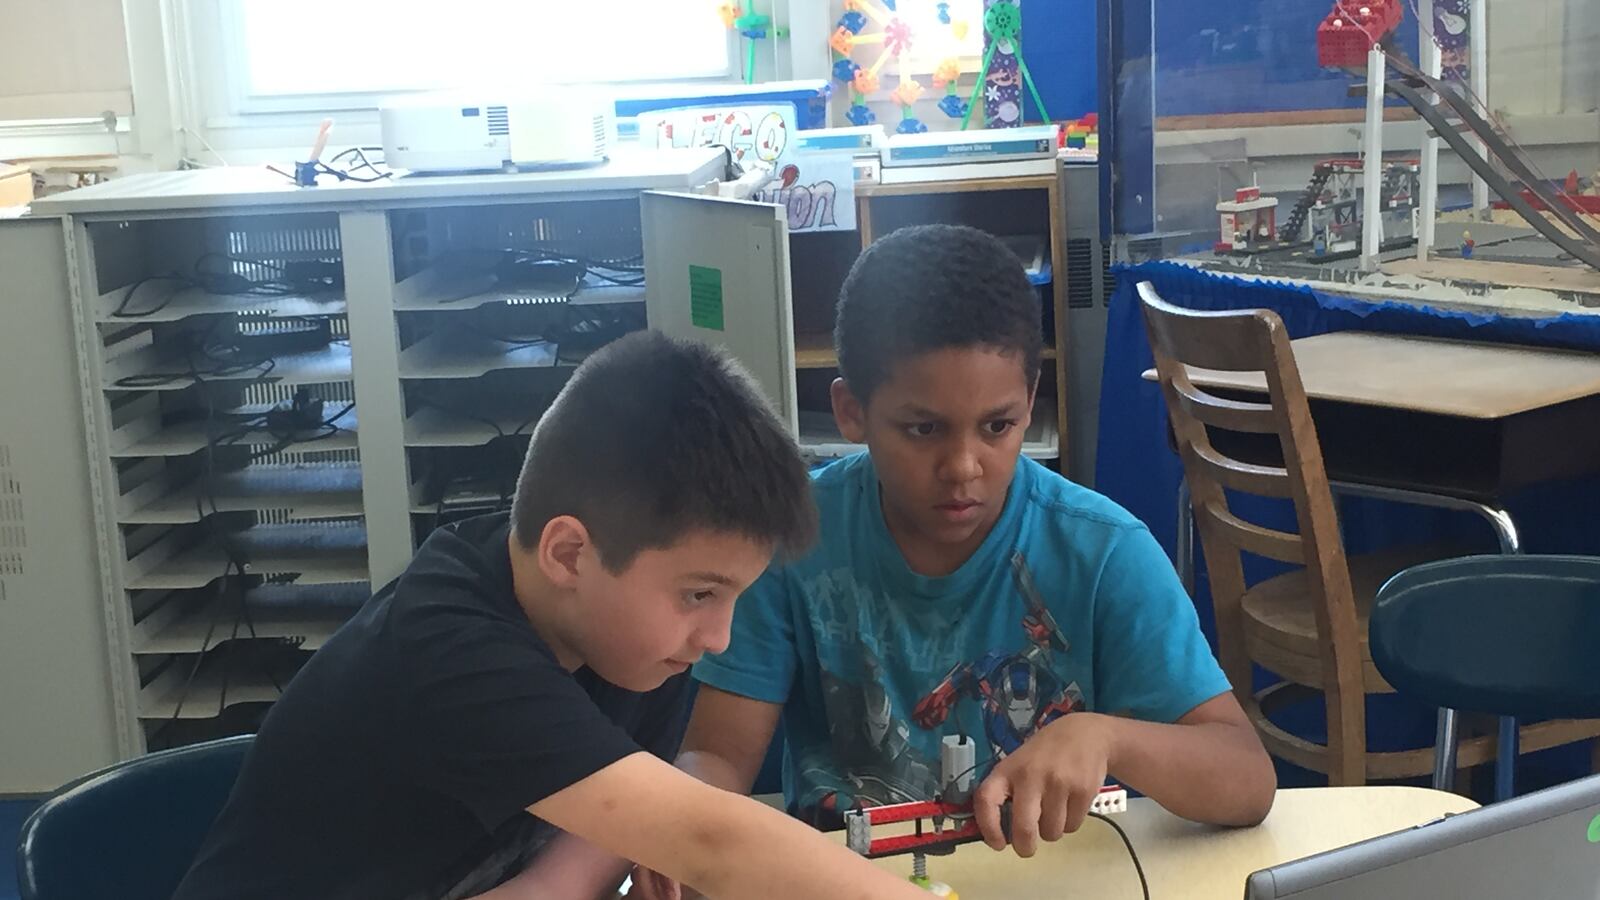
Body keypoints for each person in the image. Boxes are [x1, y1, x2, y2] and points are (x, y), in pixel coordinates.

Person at [633, 225, 1278, 899]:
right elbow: (719, 754)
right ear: (852, 411)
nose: (963, 468)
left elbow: (1245, 780)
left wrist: (1108, 739)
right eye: (923, 429)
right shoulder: (793, 539)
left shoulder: (1102, 552)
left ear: (1030, 401)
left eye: (997, 426)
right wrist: (682, 814)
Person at [171, 331, 935, 900]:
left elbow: (607, 837)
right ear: (569, 554)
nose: (719, 636)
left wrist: (548, 888)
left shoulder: (634, 634)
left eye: (733, 596)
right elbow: (709, 838)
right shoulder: (450, 648)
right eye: (702, 594)